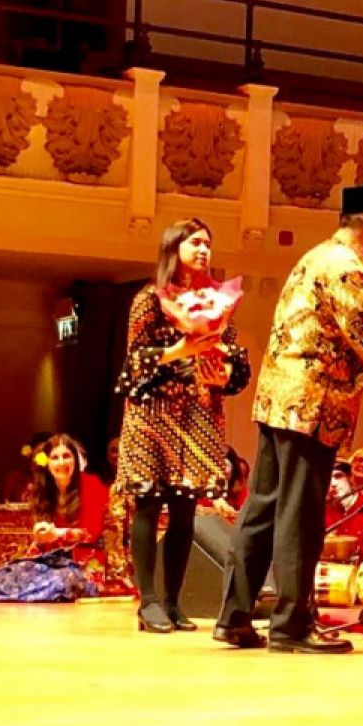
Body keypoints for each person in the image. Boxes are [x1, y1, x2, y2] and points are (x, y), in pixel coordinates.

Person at [215, 184, 363, 654]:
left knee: (262, 508)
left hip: (278, 400)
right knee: (300, 516)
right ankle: (291, 625)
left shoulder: (315, 256)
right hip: (312, 405)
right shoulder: (348, 270)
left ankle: (234, 616)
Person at [113, 218, 251, 633]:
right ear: (173, 249)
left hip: (198, 414)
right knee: (148, 503)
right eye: (194, 242)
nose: (203, 249)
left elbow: (240, 368)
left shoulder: (218, 305)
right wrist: (182, 349)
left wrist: (222, 370)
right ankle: (148, 602)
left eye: (208, 242)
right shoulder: (148, 299)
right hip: (152, 414)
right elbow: (135, 363)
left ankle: (173, 602)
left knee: (185, 510)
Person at [0, 434, 108, 601]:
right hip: (51, 562)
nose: (61, 463)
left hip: (83, 563)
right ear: (47, 463)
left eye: (66, 456)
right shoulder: (42, 492)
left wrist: (58, 534)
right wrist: (38, 542)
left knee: (62, 580)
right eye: (55, 458)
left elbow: (92, 532)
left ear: (75, 460)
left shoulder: (91, 484)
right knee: (4, 577)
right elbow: (41, 544)